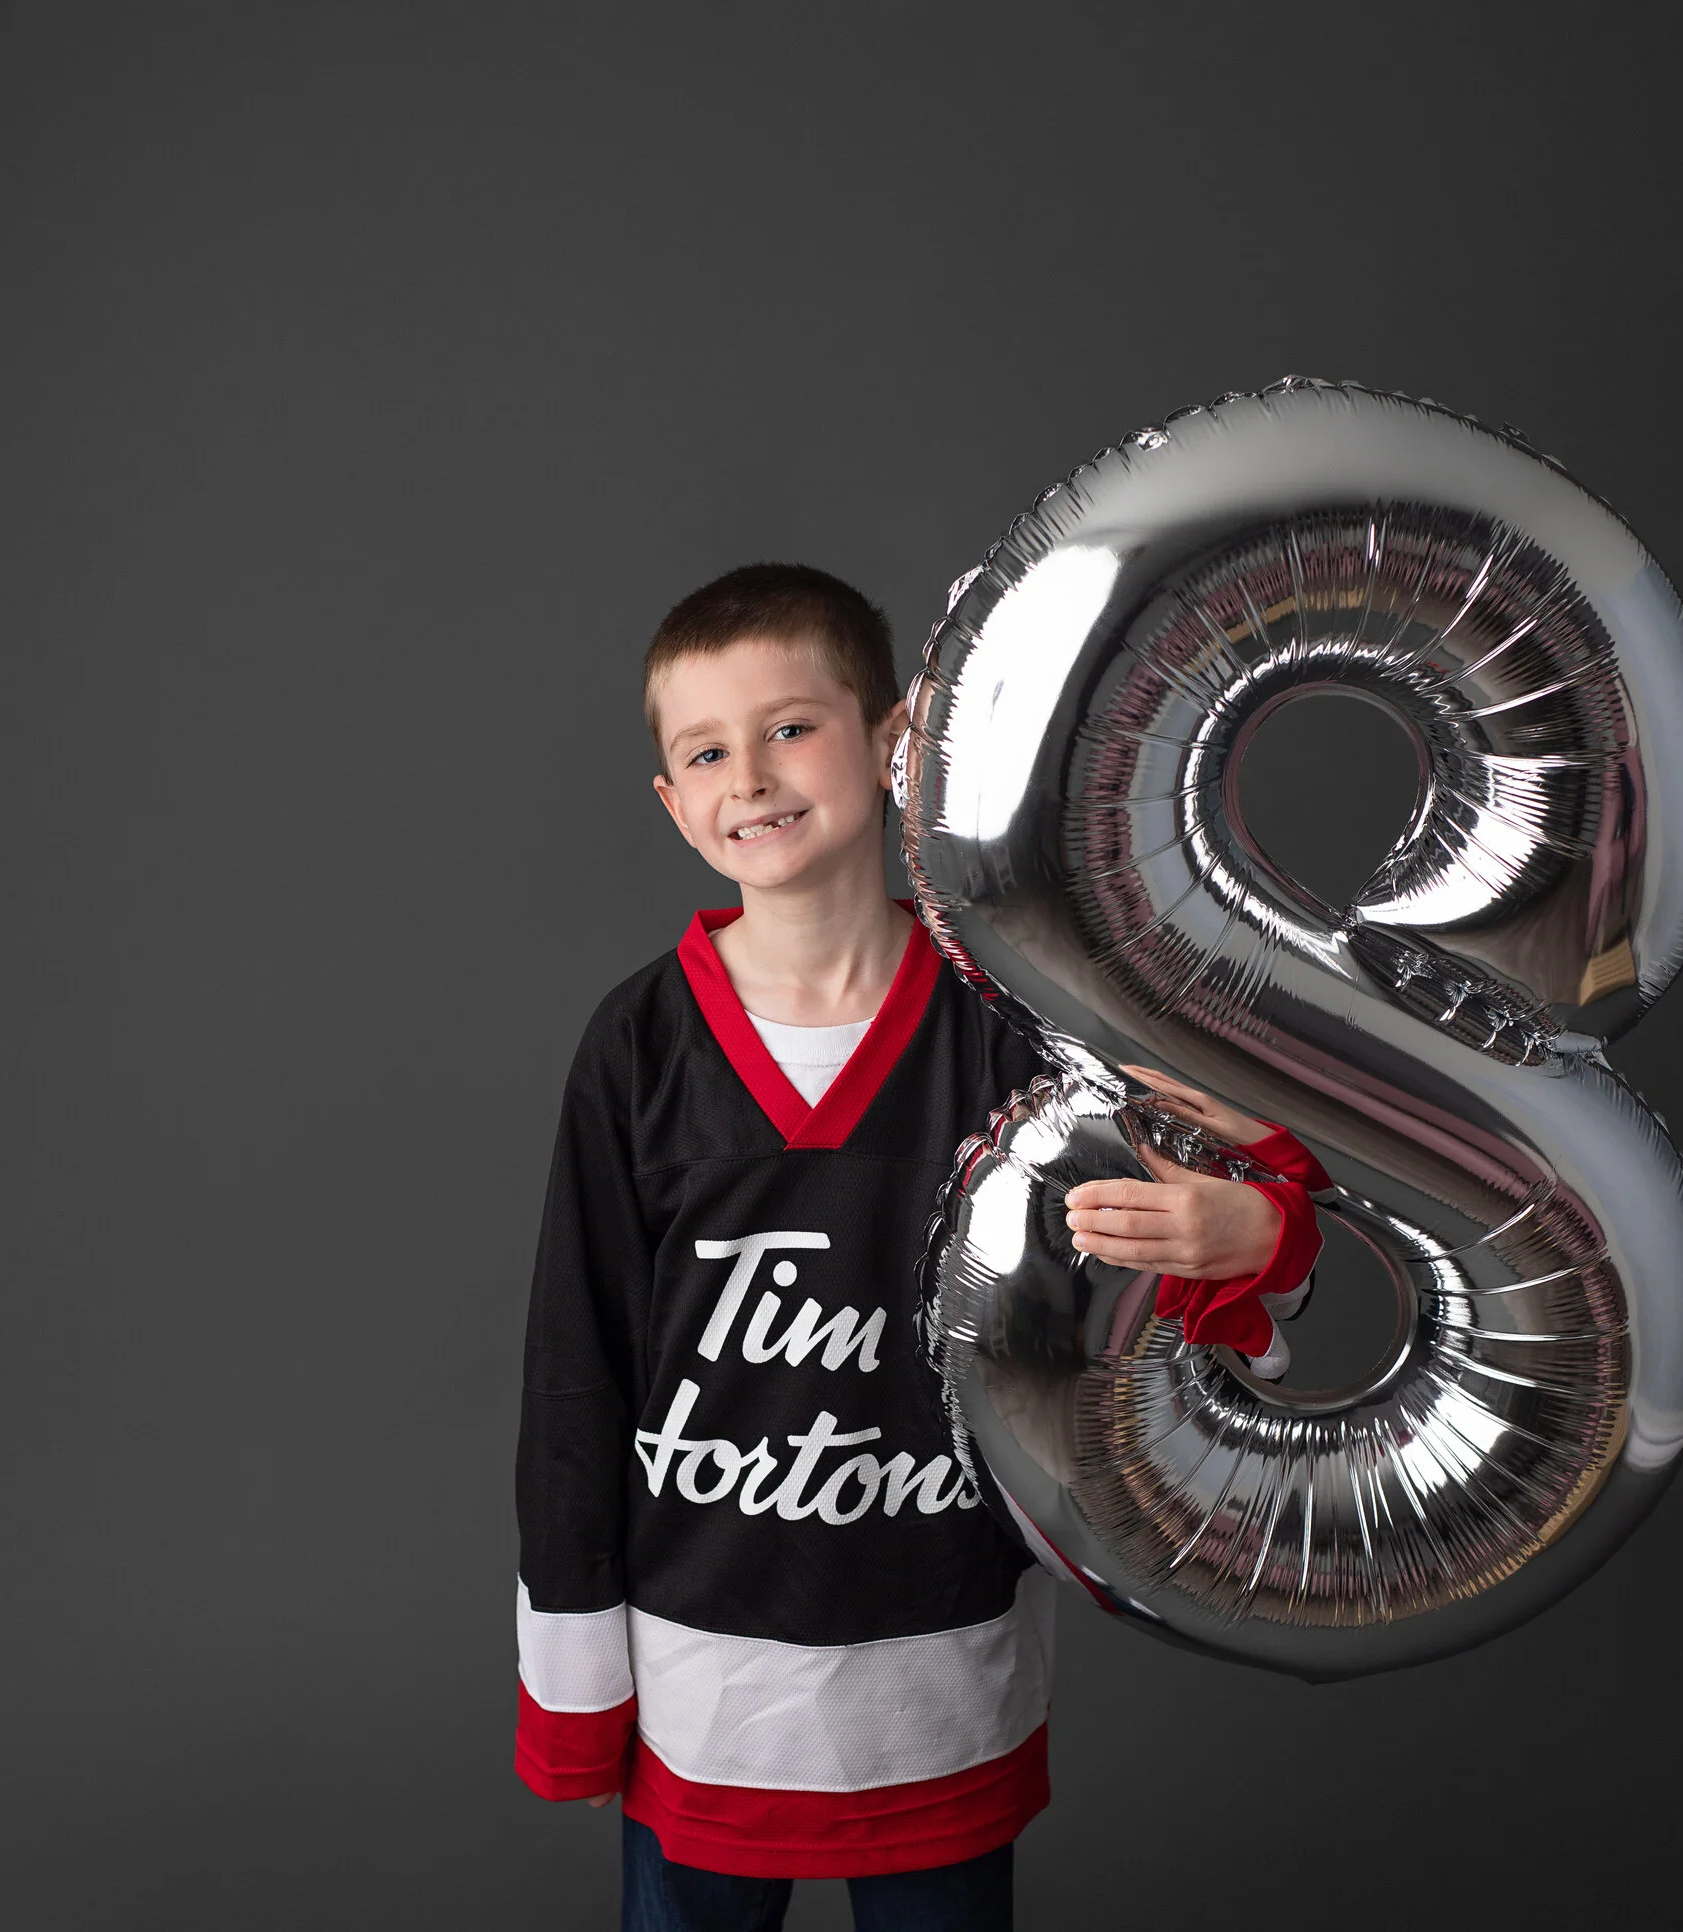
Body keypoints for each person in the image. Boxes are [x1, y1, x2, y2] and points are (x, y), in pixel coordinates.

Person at [512, 563, 1330, 1932]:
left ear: (895, 741)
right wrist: (575, 1687)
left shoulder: (1020, 1026)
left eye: (791, 727)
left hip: (943, 1674)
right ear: (670, 800)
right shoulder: (638, 1046)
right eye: (707, 752)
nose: (750, 777)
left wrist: (1255, 1237)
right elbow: (574, 1373)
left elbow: (1241, 1218)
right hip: (707, 1692)